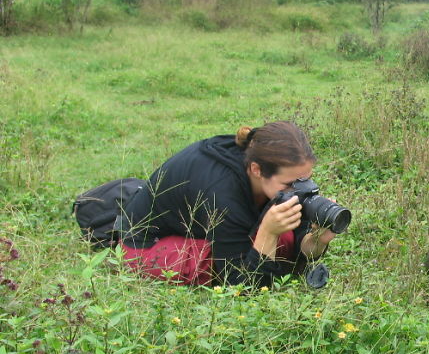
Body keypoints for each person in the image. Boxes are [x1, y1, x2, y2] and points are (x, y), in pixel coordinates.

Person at [118, 121, 336, 286]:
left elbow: (295, 246)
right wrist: (268, 234)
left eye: (305, 180)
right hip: (145, 242)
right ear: (256, 170)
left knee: (282, 240)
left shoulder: (263, 164)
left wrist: (314, 241)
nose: (299, 190)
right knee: (210, 265)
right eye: (290, 184)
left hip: (201, 227)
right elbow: (241, 284)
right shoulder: (222, 192)